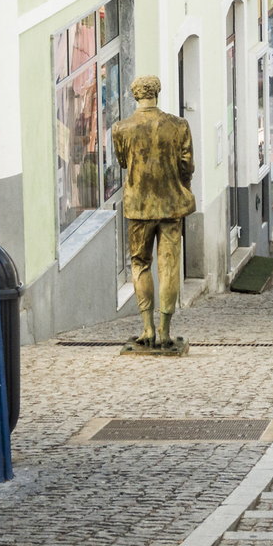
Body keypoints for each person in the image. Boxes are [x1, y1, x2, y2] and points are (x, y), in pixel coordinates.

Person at [111, 75, 195, 349]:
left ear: (135, 95)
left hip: (138, 207)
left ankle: (146, 328)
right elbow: (187, 166)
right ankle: (166, 330)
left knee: (140, 263)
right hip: (171, 205)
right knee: (169, 266)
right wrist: (180, 185)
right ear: (157, 93)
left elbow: (123, 162)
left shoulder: (121, 128)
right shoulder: (179, 125)